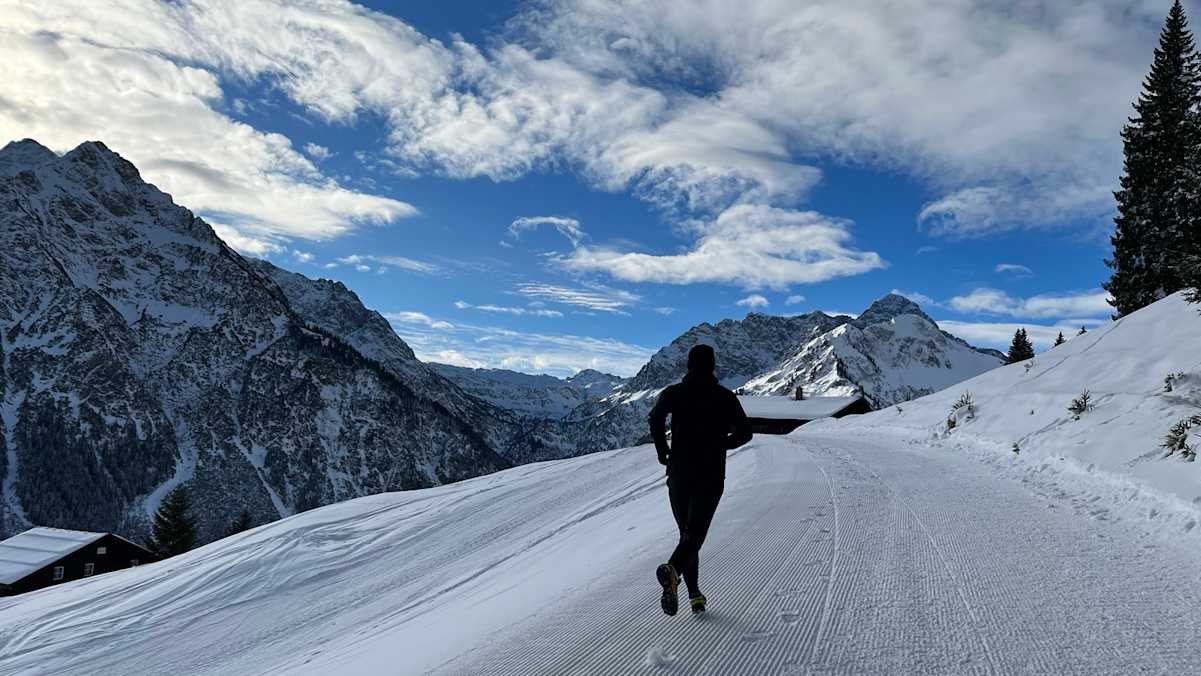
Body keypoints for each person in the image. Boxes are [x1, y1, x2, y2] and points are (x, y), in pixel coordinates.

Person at [648, 344, 752, 616]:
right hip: (710, 473)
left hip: (679, 471)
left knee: (686, 534)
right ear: (714, 365)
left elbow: (655, 417)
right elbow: (745, 434)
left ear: (688, 365)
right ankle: (673, 571)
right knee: (695, 535)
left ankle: (694, 593)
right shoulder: (725, 397)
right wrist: (720, 444)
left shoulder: (674, 393)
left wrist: (663, 450)